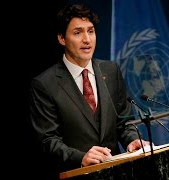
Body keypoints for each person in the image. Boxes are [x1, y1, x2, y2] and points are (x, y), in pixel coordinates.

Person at [29, 3, 149, 178]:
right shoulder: (44, 84)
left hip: (116, 173)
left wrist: (132, 140)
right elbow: (48, 140)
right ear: (62, 38)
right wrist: (81, 157)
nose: (87, 39)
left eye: (91, 31)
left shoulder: (111, 70)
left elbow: (124, 121)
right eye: (78, 33)